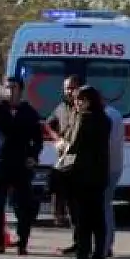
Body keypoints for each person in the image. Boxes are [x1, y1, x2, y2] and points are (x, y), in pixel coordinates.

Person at [0, 78, 43, 256]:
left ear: (20, 90)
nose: (9, 90)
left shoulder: (29, 112)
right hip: (1, 161)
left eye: (13, 87)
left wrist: (33, 156)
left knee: (23, 205)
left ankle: (22, 242)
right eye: (7, 87)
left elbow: (37, 139)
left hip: (21, 163)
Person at [55, 85, 112, 259]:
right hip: (100, 174)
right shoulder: (105, 119)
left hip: (82, 175)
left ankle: (82, 257)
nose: (78, 103)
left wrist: (63, 144)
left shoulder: (83, 118)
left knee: (82, 219)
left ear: (90, 101)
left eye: (82, 100)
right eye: (77, 99)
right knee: (98, 218)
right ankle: (99, 256)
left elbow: (74, 145)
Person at [49, 75, 81, 230]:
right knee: (59, 183)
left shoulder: (82, 108)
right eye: (67, 88)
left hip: (80, 156)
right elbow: (49, 125)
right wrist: (57, 140)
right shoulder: (61, 107)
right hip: (64, 154)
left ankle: (74, 217)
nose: (69, 91)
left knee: (75, 189)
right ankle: (58, 215)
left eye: (72, 88)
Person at [102, 96, 124, 258]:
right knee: (106, 206)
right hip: (114, 167)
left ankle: (105, 244)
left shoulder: (106, 117)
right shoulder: (115, 114)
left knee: (103, 207)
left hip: (105, 168)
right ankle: (107, 243)